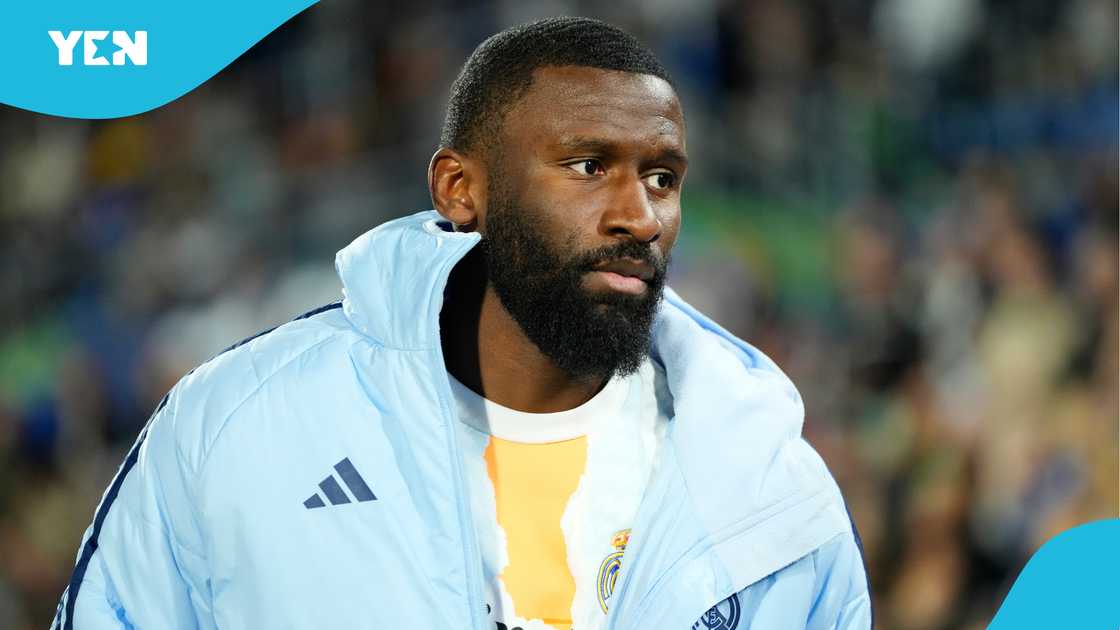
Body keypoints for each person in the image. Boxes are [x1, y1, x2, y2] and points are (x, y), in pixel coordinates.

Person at [51, 17, 870, 630]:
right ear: (459, 190)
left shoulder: (771, 495)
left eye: (662, 177)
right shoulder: (237, 425)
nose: (640, 215)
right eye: (589, 166)